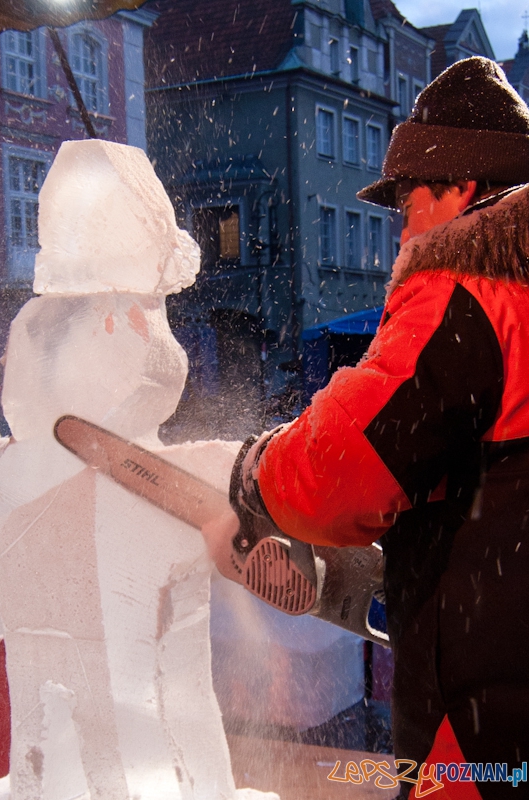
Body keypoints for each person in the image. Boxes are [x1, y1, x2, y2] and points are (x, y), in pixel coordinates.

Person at [204, 57, 529, 799]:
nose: (402, 232)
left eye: (408, 204)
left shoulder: (466, 285)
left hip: (489, 706)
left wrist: (257, 468)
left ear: (462, 188)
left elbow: (336, 476)